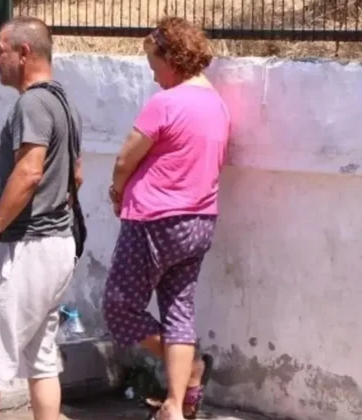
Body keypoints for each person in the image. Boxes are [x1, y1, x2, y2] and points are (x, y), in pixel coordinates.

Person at [102, 17, 231, 420]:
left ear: (172, 60)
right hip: (199, 221)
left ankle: (187, 367)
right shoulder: (218, 106)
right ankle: (176, 403)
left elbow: (126, 158)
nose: (153, 74)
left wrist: (117, 191)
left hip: (153, 219)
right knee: (178, 309)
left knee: (119, 305)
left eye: (154, 64)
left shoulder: (166, 103)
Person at [0, 16, 84, 420]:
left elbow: (29, 172)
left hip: (25, 248)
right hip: (56, 245)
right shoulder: (64, 103)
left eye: (0, 49)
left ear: (24, 52)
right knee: (41, 355)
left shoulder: (32, 103)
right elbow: (75, 175)